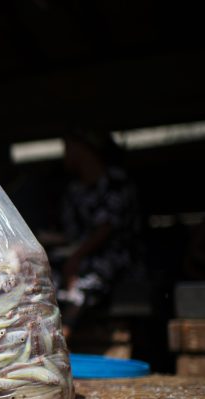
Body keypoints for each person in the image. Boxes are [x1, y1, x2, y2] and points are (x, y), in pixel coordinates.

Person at [53, 131, 139, 339]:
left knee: (82, 283)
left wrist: (76, 258)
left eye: (68, 148)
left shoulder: (115, 184)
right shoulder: (75, 189)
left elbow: (105, 228)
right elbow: (71, 234)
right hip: (78, 256)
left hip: (112, 257)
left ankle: (61, 341)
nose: (65, 155)